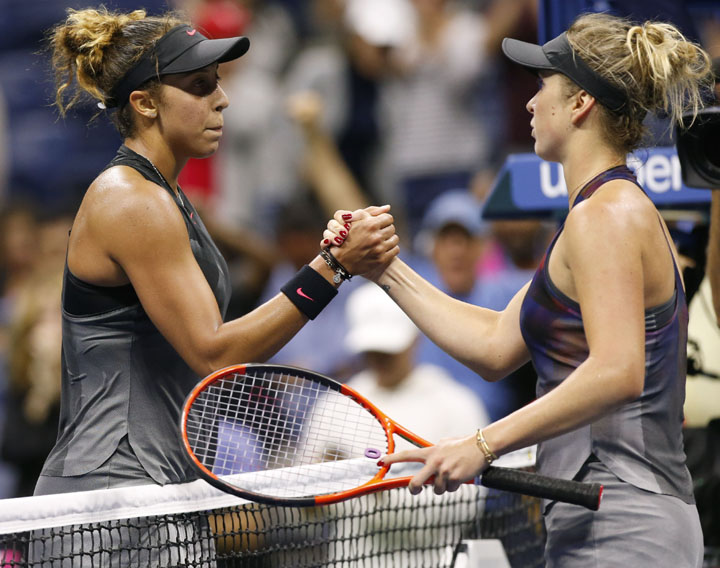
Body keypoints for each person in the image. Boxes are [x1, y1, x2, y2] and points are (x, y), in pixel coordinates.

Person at [326, 13, 714, 566]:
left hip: (627, 517)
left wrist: (481, 444)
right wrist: (383, 267)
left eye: (542, 89)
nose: (529, 105)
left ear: (579, 103)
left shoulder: (606, 215)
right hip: (602, 516)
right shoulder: (593, 216)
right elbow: (494, 346)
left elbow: (618, 369)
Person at [37, 6, 397, 497]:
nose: (223, 100)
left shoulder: (168, 198)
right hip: (111, 488)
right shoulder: (131, 201)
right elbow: (214, 354)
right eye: (201, 86)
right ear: (145, 103)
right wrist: (332, 267)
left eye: (218, 81)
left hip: (162, 477)